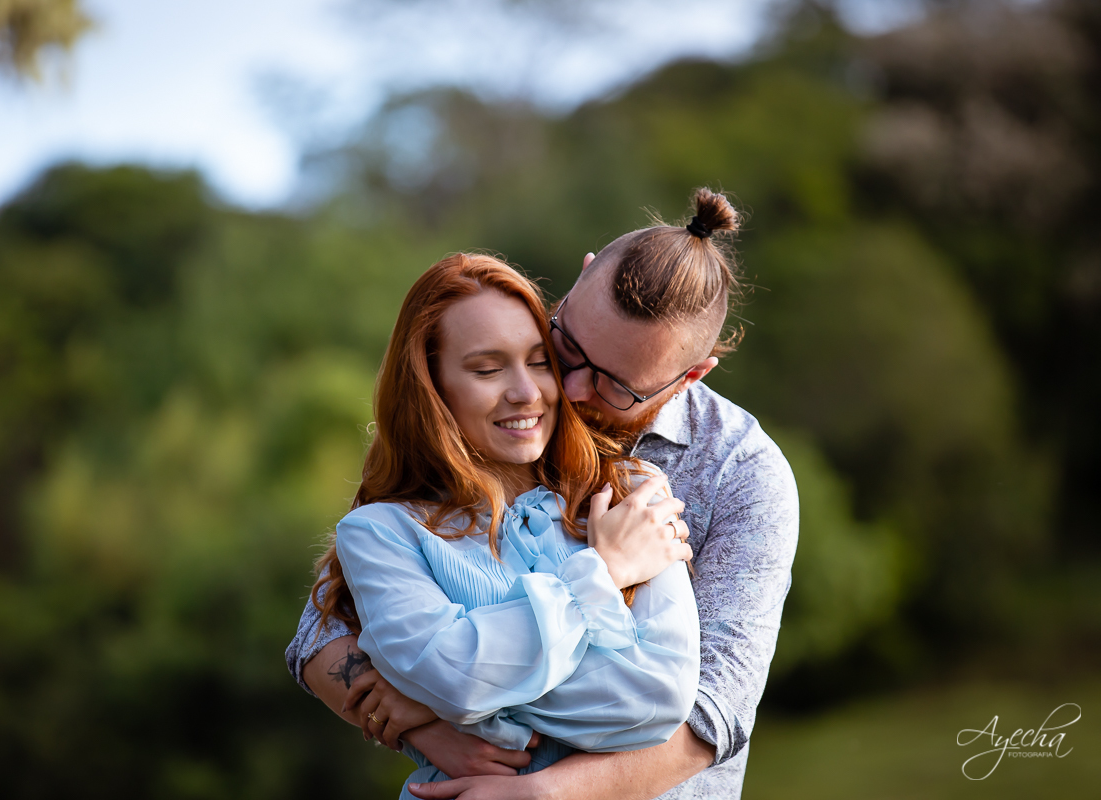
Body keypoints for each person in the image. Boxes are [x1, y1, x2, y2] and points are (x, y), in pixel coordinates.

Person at [288, 188, 800, 800]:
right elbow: (321, 632)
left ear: (690, 376)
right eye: (568, 348)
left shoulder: (740, 474)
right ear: (580, 282)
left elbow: (708, 712)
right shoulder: (506, 404)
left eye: (615, 385)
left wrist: (514, 758)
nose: (569, 391)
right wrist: (432, 721)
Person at [305, 251, 703, 798]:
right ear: (432, 386)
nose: (526, 391)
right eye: (487, 369)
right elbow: (458, 677)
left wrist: (437, 696)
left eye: (540, 362)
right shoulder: (380, 534)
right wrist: (602, 572)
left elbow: (655, 701)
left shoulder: (631, 493)